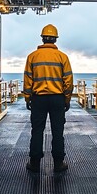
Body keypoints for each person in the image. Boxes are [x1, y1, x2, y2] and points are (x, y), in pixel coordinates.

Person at [23, 24, 73, 173]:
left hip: (38, 99)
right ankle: (58, 163)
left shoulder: (32, 56)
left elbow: (28, 80)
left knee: (37, 130)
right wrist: (67, 99)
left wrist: (27, 98)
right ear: (55, 40)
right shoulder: (63, 57)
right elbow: (68, 81)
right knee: (58, 131)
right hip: (57, 99)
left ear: (43, 38)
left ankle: (35, 163)